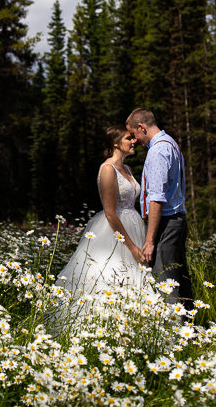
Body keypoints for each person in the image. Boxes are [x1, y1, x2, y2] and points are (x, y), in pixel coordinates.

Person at [55, 125, 148, 299]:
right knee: (111, 274)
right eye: (129, 138)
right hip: (116, 231)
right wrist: (132, 248)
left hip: (134, 226)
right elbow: (110, 212)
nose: (134, 141)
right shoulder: (107, 169)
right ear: (115, 143)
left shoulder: (127, 169)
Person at [126, 108, 194, 309]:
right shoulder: (171, 143)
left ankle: (176, 334)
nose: (135, 140)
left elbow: (156, 199)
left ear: (142, 127)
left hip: (166, 222)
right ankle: (192, 328)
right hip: (177, 220)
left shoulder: (157, 151)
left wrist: (150, 240)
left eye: (134, 134)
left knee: (166, 283)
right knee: (180, 280)